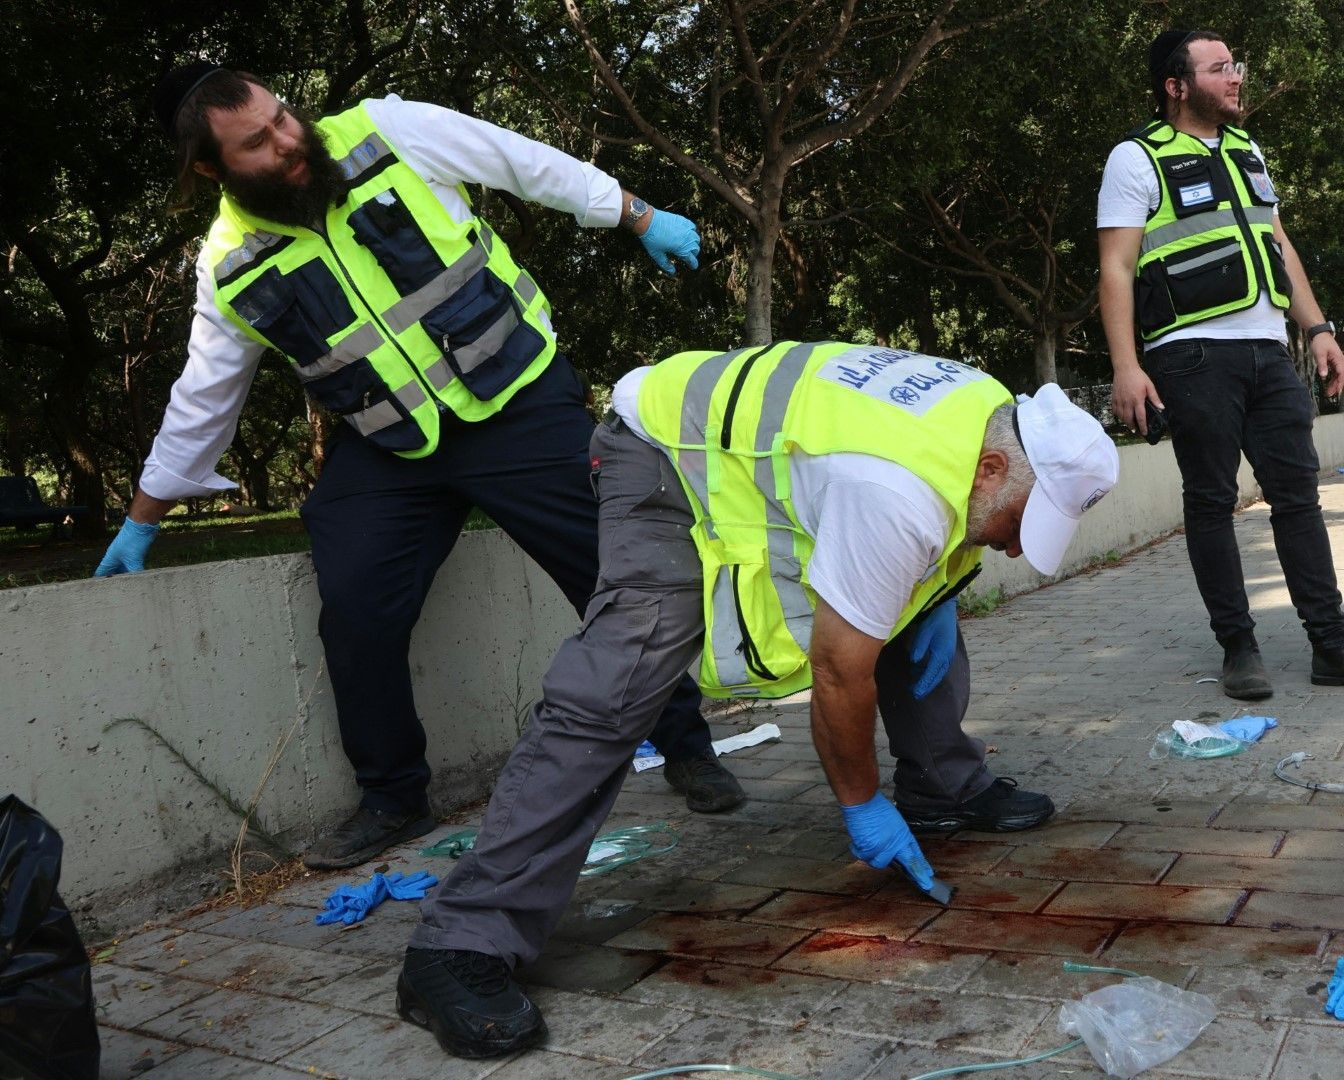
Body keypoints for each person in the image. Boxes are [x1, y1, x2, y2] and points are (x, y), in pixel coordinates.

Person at [97, 63, 744, 872]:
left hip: (515, 398)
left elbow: (523, 160)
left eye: (283, 116)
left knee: (612, 572)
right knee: (356, 609)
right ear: (209, 167)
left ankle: (685, 744)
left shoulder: (386, 131)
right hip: (390, 445)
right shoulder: (227, 262)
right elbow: (205, 396)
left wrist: (635, 214)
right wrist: (142, 518)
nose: (290, 140)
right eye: (257, 142)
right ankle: (392, 796)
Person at [396, 341, 1119, 1058]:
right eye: (1023, 523)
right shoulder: (895, 494)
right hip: (663, 456)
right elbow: (840, 672)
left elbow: (928, 530)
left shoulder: (988, 421)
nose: (1021, 549)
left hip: (779, 460)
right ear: (991, 468)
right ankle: (461, 939)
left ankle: (940, 785)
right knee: (619, 679)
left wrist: (936, 596)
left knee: (915, 596)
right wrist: (859, 801)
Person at [1097, 28, 1344, 701]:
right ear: (1175, 86)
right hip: (1189, 354)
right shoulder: (1135, 158)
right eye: (1219, 69)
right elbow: (1117, 267)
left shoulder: (1246, 149)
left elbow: (1279, 241)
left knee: (1298, 496)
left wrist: (1320, 328)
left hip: (1269, 350)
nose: (1236, 76)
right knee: (1211, 501)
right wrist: (1127, 367)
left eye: (1235, 64)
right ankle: (1238, 647)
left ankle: (1332, 645)